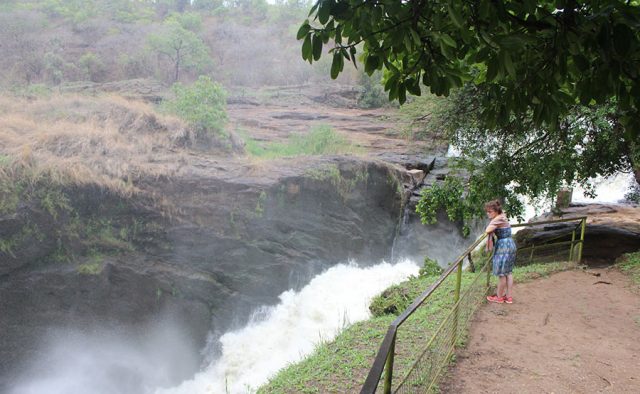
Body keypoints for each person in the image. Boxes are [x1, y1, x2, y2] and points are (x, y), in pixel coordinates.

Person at [484, 200, 517, 304]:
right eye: (487, 211)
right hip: (510, 244)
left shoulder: (497, 219)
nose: (488, 213)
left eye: (490, 211)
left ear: (496, 211)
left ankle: (499, 297)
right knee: (508, 272)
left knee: (502, 274)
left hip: (504, 247)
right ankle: (509, 297)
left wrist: (491, 224)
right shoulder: (502, 216)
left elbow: (488, 230)